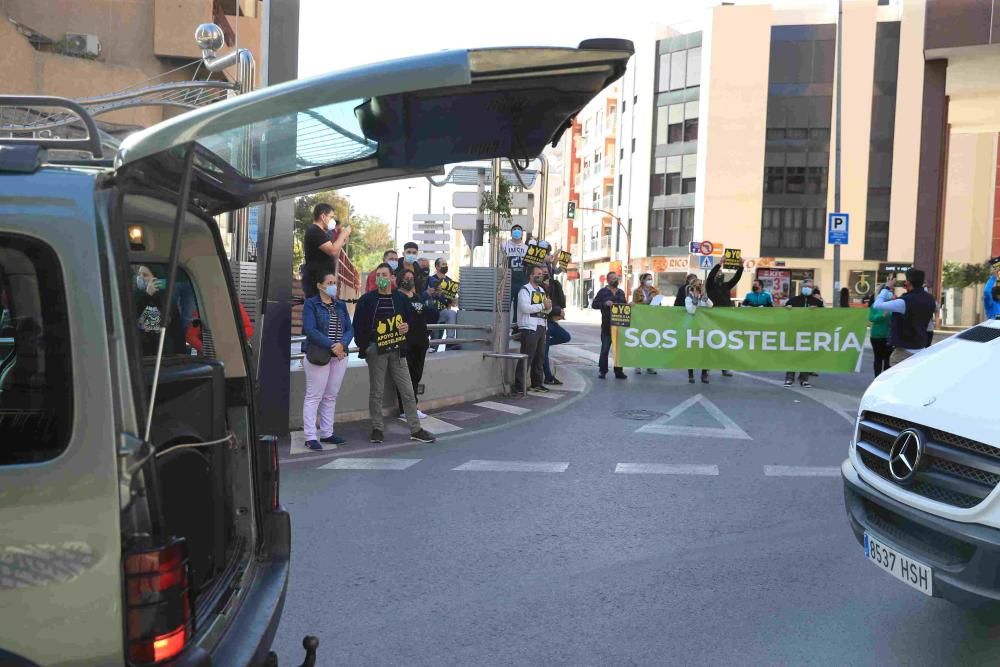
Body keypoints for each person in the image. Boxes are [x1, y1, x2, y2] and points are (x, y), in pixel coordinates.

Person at [352, 263, 436, 444]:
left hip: (398, 350)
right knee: (377, 391)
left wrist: (407, 327)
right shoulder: (366, 300)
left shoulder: (401, 299)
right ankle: (377, 428)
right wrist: (366, 347)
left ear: (392, 278)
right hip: (376, 350)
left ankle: (415, 429)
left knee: (407, 390)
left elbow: (411, 320)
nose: (381, 278)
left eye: (384, 274)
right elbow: (357, 326)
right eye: (378, 275)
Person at [300, 272, 353, 451]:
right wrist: (332, 345)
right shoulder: (311, 304)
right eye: (329, 282)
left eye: (335, 282)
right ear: (319, 285)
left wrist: (343, 344)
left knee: (330, 396)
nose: (333, 286)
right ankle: (310, 436)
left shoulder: (340, 305)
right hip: (319, 355)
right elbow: (310, 330)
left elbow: (349, 328)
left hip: (339, 357)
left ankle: (327, 433)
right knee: (314, 396)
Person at [395, 267, 438, 420]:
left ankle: (413, 406)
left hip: (420, 342)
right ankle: (405, 409)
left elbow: (428, 314)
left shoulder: (417, 297)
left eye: (411, 278)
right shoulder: (397, 297)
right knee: (405, 378)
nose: (409, 280)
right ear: (400, 280)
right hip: (406, 343)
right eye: (406, 278)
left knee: (416, 376)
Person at [872, 268, 937, 367]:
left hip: (904, 351)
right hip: (921, 348)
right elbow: (936, 308)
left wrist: (887, 287)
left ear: (909, 282)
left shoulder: (904, 302)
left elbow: (877, 305)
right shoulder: (930, 299)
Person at [513, 264, 552, 394]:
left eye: (541, 274)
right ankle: (519, 386)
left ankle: (537, 383)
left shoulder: (541, 290)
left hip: (541, 325)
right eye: (538, 274)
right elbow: (525, 308)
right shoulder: (524, 290)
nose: (540, 276)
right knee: (527, 356)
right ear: (531, 275)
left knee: (539, 357)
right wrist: (542, 305)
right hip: (529, 327)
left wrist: (548, 306)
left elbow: (547, 308)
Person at [133, 265, 185, 356]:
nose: (140, 278)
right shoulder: (135, 297)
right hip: (141, 354)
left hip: (163, 354)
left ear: (155, 279)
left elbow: (176, 330)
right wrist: (147, 295)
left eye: (145, 275)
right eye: (139, 274)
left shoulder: (167, 300)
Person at [302, 203, 351, 298]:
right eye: (331, 217)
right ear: (323, 216)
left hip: (324, 281)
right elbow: (332, 251)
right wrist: (342, 235)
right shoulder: (314, 231)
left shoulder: (322, 233)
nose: (332, 220)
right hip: (316, 282)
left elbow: (334, 251)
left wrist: (342, 241)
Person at [783, 280, 824, 387]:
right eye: (805, 286)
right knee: (792, 354)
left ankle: (804, 379)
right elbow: (783, 315)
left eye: (809, 286)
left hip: (810, 332)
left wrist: (818, 310)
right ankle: (789, 378)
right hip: (795, 331)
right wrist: (786, 309)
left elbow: (824, 316)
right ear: (801, 287)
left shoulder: (817, 302)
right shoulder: (793, 300)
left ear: (812, 288)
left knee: (806, 355)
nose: (807, 288)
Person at [707, 262, 743, 377]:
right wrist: (719, 264)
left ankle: (724, 367)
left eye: (721, 273)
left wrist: (741, 266)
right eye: (718, 273)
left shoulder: (726, 286)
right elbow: (710, 276)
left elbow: (736, 278)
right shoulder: (710, 286)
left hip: (726, 319)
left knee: (725, 343)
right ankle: (706, 367)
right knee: (712, 343)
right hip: (713, 319)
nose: (719, 274)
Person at [592, 271, 628, 380]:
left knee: (619, 350)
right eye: (612, 278)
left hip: (619, 326)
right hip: (607, 326)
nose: (615, 280)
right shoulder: (603, 292)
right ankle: (602, 371)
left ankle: (619, 371)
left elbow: (625, 307)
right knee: (605, 349)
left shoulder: (621, 292)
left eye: (616, 278)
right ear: (608, 280)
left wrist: (630, 305)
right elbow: (594, 304)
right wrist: (604, 303)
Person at [186, 303, 254, 356]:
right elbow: (190, 336)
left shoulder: (236, 306)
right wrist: (206, 350)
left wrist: (233, 338)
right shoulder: (202, 310)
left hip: (233, 352)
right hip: (210, 356)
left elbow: (249, 329)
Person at [541, 263, 571, 385]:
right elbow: (543, 306)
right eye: (541, 272)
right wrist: (557, 309)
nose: (543, 273)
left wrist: (559, 311)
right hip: (543, 321)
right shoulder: (537, 287)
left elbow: (561, 302)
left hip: (552, 320)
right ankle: (548, 377)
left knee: (565, 337)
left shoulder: (555, 284)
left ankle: (543, 345)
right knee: (545, 352)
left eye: (545, 271)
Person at [426, 258, 460, 351]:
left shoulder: (449, 281)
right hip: (432, 313)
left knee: (451, 313)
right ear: (437, 267)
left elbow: (450, 304)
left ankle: (450, 342)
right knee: (435, 343)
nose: (445, 266)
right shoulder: (430, 280)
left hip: (443, 313)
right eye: (443, 264)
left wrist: (453, 299)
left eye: (446, 264)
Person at [685, 279, 713, 384]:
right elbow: (691, 311)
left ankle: (704, 374)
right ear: (692, 287)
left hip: (704, 327)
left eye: (699, 286)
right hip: (693, 328)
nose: (698, 288)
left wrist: (703, 295)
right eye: (696, 286)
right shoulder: (688, 298)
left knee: (705, 351)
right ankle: (691, 375)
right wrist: (696, 298)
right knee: (692, 351)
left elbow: (711, 305)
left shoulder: (703, 296)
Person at [631, 273, 659, 375]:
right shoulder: (637, 291)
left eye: (651, 279)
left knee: (651, 343)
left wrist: (655, 301)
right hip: (640, 320)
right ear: (642, 280)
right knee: (640, 342)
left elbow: (658, 306)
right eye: (648, 279)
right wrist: (646, 301)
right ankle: (637, 365)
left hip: (652, 320)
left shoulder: (655, 291)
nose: (650, 281)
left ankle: (650, 366)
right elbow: (635, 305)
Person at [502, 224, 529, 310]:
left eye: (519, 229)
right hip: (508, 279)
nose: (516, 231)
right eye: (514, 229)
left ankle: (516, 322)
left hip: (521, 279)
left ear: (522, 233)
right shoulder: (505, 245)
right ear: (511, 233)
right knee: (505, 305)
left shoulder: (526, 248)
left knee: (519, 305)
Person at [867, 294, 892, 378]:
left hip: (888, 337)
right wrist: (882, 316)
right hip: (876, 336)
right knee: (878, 358)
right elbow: (871, 318)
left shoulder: (892, 305)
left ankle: (885, 379)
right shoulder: (875, 305)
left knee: (887, 359)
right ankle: (877, 378)